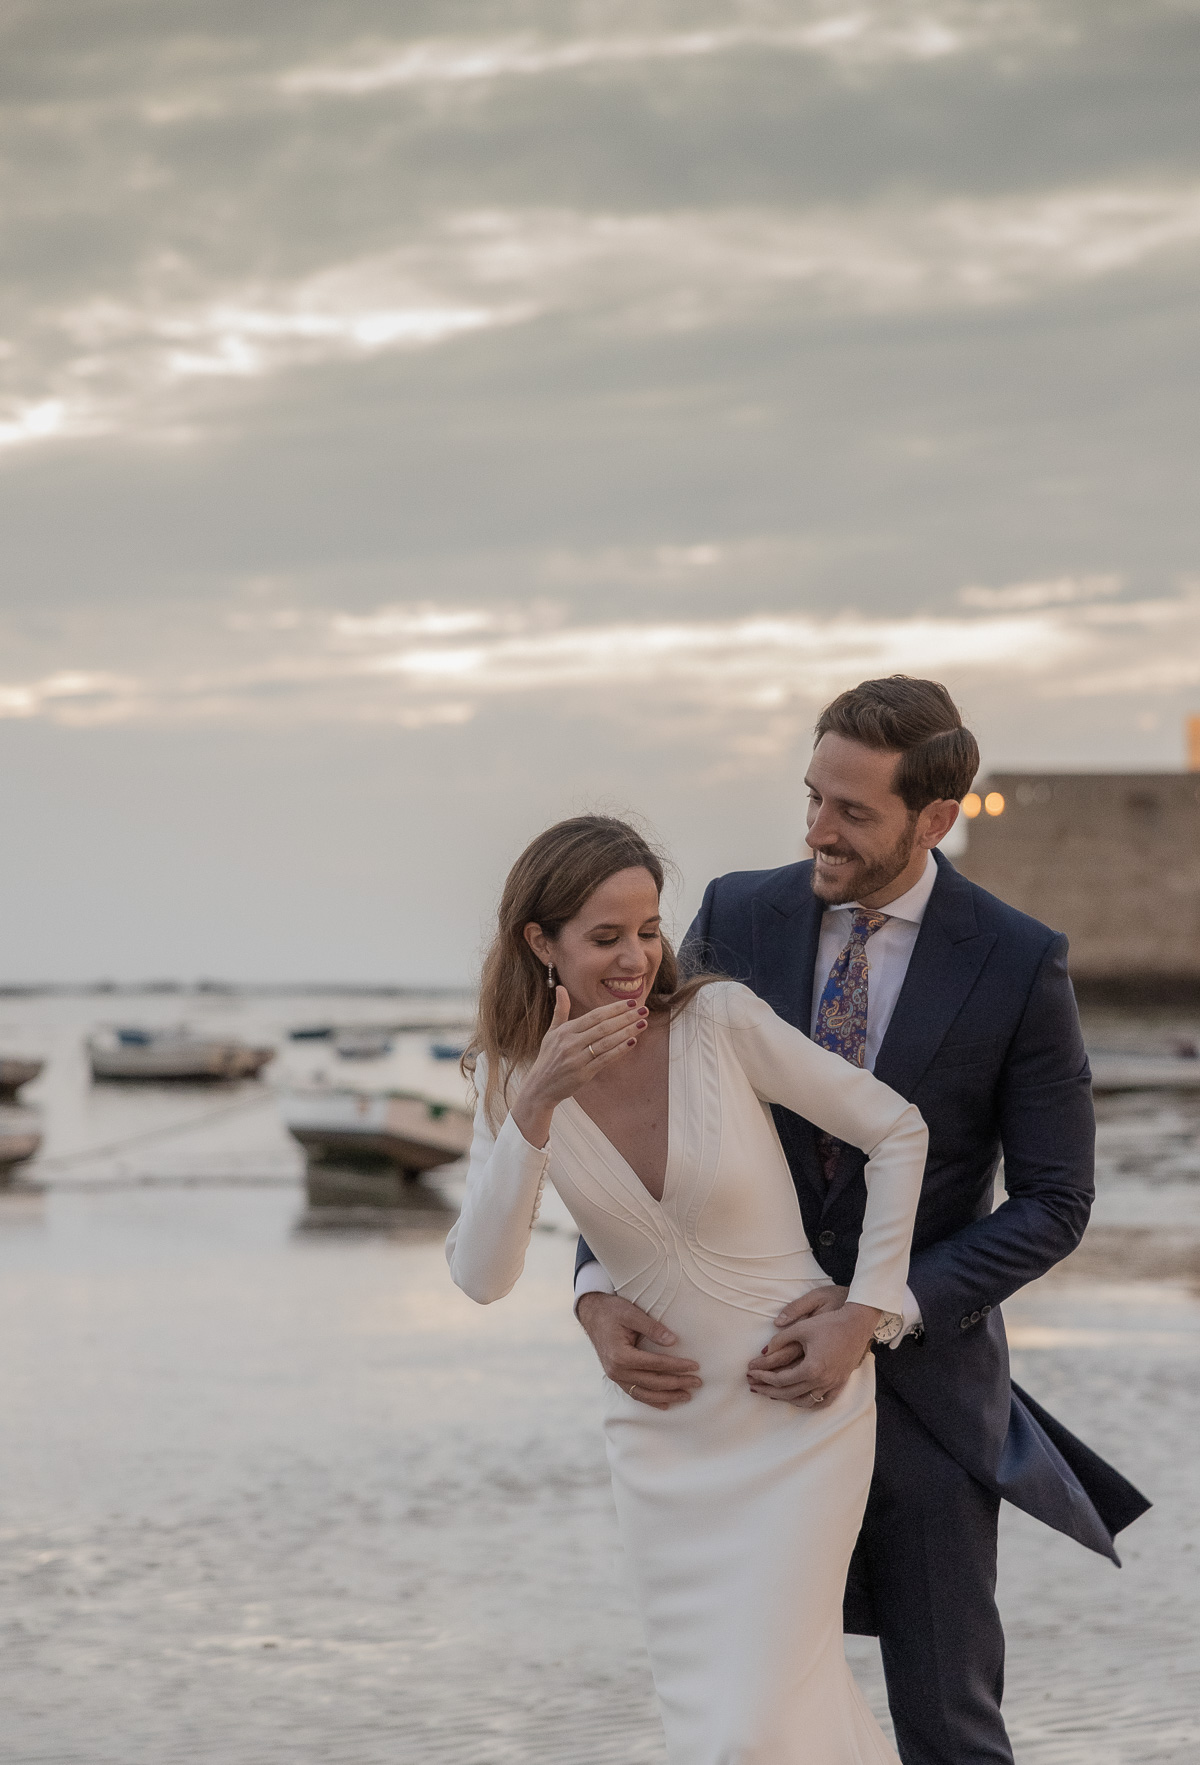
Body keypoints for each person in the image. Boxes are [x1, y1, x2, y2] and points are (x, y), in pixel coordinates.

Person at [575, 676, 1151, 1765]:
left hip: (927, 1407)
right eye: (812, 798)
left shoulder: (1019, 961)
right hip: (739, 1401)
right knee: (748, 1715)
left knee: (950, 1729)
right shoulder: (738, 915)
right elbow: (630, 1123)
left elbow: (1057, 1202)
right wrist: (594, 1291)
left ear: (935, 819)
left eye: (852, 811)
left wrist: (879, 1310)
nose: (817, 831)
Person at [447, 813, 931, 1764]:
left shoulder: (718, 1022)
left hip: (799, 1414)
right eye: (605, 936)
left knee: (753, 1726)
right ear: (539, 943)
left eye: (648, 929)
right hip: (664, 1442)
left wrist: (867, 1306)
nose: (635, 958)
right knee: (749, 1721)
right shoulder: (510, 1083)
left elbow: (898, 1130)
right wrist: (536, 1106)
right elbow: (482, 1275)